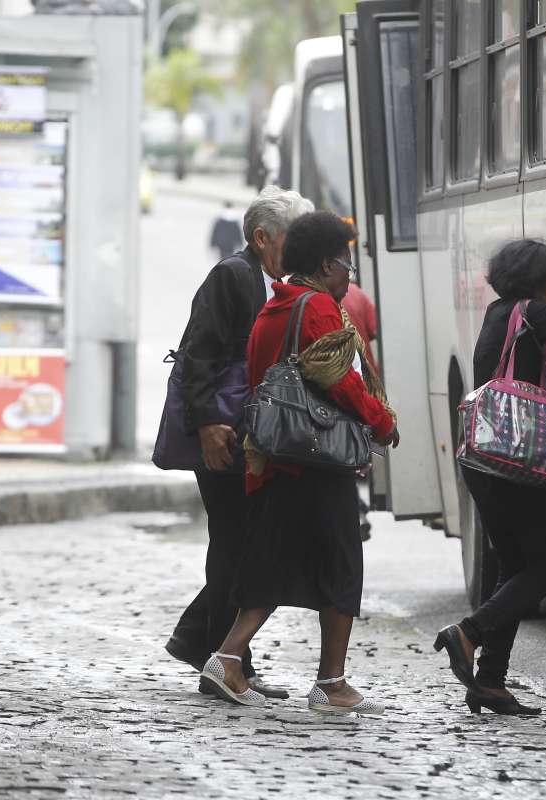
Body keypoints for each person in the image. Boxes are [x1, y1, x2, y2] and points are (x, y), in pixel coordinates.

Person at [199, 211, 401, 712]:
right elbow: (341, 381)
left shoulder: (274, 309)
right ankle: (331, 683)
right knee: (341, 565)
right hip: (316, 460)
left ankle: (227, 657)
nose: (349, 276)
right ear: (329, 264)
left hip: (275, 457)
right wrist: (381, 421)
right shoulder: (318, 309)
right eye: (348, 266)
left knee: (271, 562)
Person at [433, 239, 546, 715]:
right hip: (512, 465)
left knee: (515, 570)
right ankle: (469, 632)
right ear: (538, 280)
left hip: (484, 464)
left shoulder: (502, 315)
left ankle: (490, 681)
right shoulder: (531, 312)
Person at [164, 186, 314, 701]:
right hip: (225, 433)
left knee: (245, 544)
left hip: (248, 432)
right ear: (262, 237)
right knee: (236, 544)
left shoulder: (272, 279)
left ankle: (211, 648)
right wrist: (207, 424)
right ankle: (219, 658)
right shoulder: (233, 275)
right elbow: (198, 354)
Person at [341, 278, 379, 540]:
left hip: (341, 391)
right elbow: (373, 331)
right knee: (354, 455)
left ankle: (356, 509)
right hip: (362, 384)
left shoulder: (308, 301)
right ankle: (357, 509)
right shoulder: (359, 295)